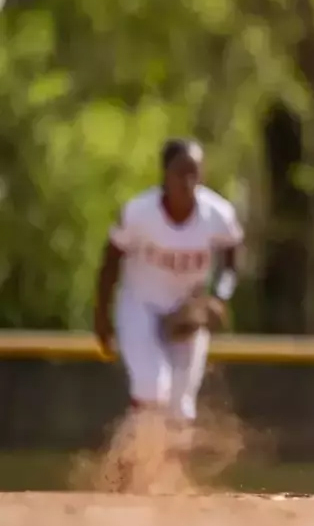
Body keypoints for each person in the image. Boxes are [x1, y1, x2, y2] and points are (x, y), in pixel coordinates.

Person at [92, 139, 244, 468]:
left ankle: (165, 480)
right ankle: (128, 466)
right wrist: (101, 316)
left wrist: (219, 295)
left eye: (195, 172)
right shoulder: (139, 212)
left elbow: (232, 256)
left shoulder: (217, 214)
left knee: (180, 407)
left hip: (186, 313)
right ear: (165, 174)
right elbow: (110, 261)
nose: (188, 180)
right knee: (151, 387)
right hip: (141, 306)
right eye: (180, 172)